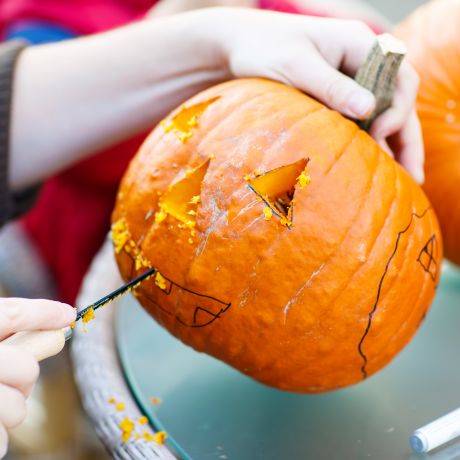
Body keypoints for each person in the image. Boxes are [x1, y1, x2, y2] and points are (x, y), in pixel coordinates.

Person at [0, 7, 422, 458]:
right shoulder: (53, 14)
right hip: (56, 251)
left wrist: (220, 40)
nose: (208, 221)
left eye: (273, 204)